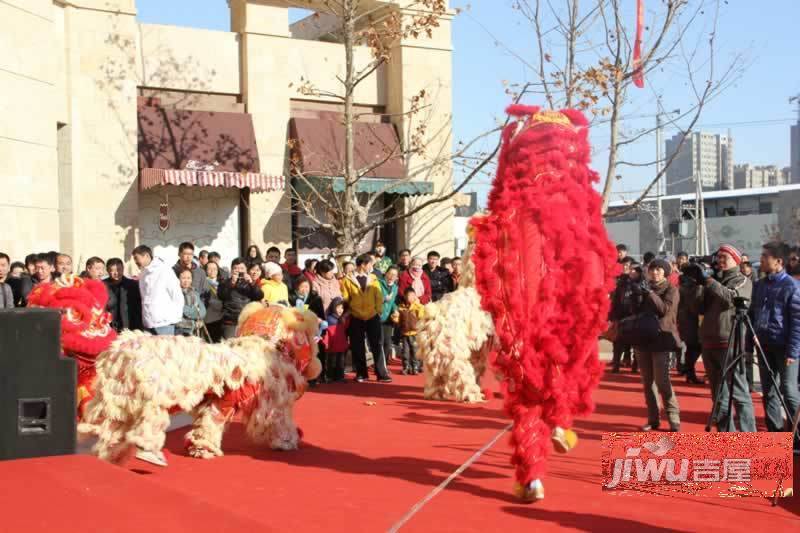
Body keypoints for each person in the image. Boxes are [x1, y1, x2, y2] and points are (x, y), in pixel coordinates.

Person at [692, 245, 755, 431]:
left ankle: (749, 438)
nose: (720, 261)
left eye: (724, 257)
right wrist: (697, 284)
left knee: (739, 394)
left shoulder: (742, 280)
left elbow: (731, 298)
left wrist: (709, 281)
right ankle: (727, 436)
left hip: (730, 342)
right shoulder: (713, 281)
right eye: (718, 257)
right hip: (709, 342)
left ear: (736, 260)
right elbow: (697, 308)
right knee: (718, 395)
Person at [749, 242, 800, 448]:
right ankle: (775, 435)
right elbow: (754, 315)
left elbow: (797, 322)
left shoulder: (791, 286)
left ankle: (796, 435)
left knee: (788, 391)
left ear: (778, 261)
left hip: (786, 348)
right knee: (769, 392)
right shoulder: (760, 285)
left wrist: (793, 351)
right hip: (764, 346)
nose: (761, 260)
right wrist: (749, 342)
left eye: (765, 257)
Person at [634, 259, 681, 432]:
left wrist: (650, 294)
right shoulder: (644, 288)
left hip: (662, 340)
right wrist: (637, 295)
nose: (655, 273)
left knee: (662, 381)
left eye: (659, 270)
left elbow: (664, 310)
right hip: (642, 339)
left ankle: (673, 417)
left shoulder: (671, 290)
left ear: (665, 272)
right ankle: (653, 419)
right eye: (652, 269)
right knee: (648, 383)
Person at [340, 253, 391, 383]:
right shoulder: (348, 280)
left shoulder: (373, 278)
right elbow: (345, 298)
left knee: (377, 344)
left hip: (372, 315)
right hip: (356, 316)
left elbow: (378, 296)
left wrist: (378, 311)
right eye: (369, 264)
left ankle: (381, 373)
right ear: (363, 265)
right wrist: (349, 310)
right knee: (357, 345)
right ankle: (361, 373)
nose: (371, 267)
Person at [133, 245, 183, 336]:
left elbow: (176, 294)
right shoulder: (143, 273)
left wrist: (175, 317)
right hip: (148, 322)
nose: (135, 262)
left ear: (147, 256)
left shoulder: (164, 270)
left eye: (137, 258)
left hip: (164, 323)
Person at [218, 258, 264, 339]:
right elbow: (221, 296)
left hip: (247, 321)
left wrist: (251, 283)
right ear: (231, 270)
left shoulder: (250, 283)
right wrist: (231, 283)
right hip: (230, 322)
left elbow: (259, 296)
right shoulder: (224, 282)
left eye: (242, 268)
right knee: (229, 346)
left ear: (246, 270)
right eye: (236, 268)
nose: (239, 271)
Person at [609, 257, 639, 373]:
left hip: (636, 317)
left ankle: (635, 366)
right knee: (618, 342)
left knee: (636, 344)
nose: (629, 270)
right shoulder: (621, 282)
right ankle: (616, 365)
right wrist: (613, 316)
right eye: (625, 266)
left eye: (631, 267)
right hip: (621, 317)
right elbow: (615, 300)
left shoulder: (641, 282)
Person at [676, 262, 703, 384]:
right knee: (696, 347)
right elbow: (696, 306)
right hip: (693, 321)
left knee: (691, 348)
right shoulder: (694, 287)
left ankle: (689, 373)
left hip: (684, 320)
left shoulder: (681, 286)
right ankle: (689, 371)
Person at [104, 257, 143, 332]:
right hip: (108, 326)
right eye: (112, 270)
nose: (116, 273)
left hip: (129, 326)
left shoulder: (133, 285)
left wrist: (138, 327)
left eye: (119, 269)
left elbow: (137, 308)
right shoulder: (102, 285)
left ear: (123, 269)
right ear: (108, 271)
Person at [394, 287, 425, 374]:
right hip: (405, 333)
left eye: (412, 295)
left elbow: (422, 318)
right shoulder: (401, 307)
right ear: (404, 296)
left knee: (415, 351)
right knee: (405, 352)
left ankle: (415, 367)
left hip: (415, 333)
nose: (409, 297)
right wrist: (395, 317)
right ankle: (406, 367)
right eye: (407, 295)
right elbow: (398, 320)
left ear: (415, 296)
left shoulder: (419, 307)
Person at [323, 298, 349, 382]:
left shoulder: (341, 319)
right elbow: (328, 333)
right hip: (333, 345)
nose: (340, 310)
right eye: (338, 307)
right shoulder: (330, 319)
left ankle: (339, 376)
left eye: (342, 308)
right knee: (332, 360)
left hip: (340, 344)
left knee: (340, 361)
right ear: (333, 307)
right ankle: (330, 376)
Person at [176, 268, 206, 337]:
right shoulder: (176, 293)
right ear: (178, 279)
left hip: (193, 330)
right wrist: (195, 311)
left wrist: (194, 312)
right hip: (180, 329)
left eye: (189, 278)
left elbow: (203, 311)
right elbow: (182, 310)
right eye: (183, 278)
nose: (186, 281)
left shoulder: (195, 292)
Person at [378, 266, 400, 363]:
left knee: (388, 342)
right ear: (385, 273)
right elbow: (373, 299)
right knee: (380, 342)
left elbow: (393, 302)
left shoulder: (395, 287)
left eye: (394, 275)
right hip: (378, 316)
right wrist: (383, 299)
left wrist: (395, 310)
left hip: (388, 318)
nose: (391, 276)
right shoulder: (378, 283)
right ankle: (379, 365)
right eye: (390, 273)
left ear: (397, 278)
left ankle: (385, 364)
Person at [202, 261, 224, 342]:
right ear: (205, 271)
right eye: (209, 269)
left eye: (215, 269)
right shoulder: (203, 283)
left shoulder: (222, 283)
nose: (212, 271)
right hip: (208, 318)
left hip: (221, 317)